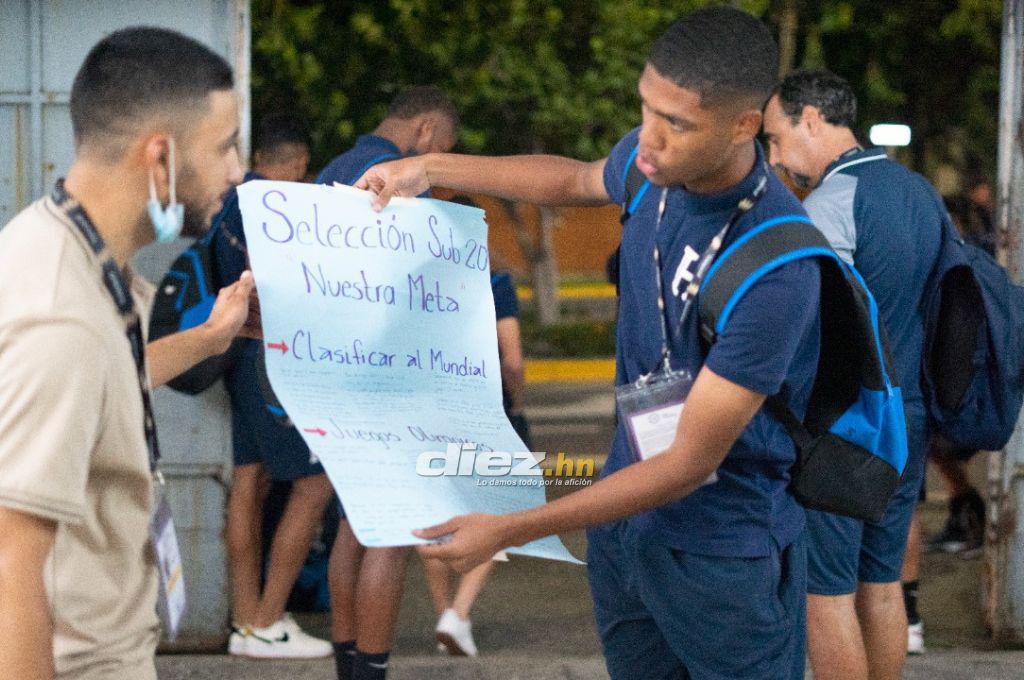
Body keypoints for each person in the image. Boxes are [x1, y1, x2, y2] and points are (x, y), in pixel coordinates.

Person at [359, 8, 817, 679]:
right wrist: (426, 167)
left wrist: (511, 527)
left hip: (723, 555)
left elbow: (689, 462)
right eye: (645, 108)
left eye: (677, 123)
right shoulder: (652, 166)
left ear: (744, 126)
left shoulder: (778, 267)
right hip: (626, 538)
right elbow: (573, 180)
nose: (649, 140)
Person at [0, 27, 254, 680]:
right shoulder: (63, 318)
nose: (236, 169)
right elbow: (10, 561)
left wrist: (211, 336)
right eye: (225, 144)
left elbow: (111, 376)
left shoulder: (66, 246)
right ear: (161, 158)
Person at [762, 68, 943, 679]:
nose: (776, 156)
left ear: (811, 118)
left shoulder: (831, 203)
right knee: (883, 582)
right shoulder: (919, 191)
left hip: (847, 425)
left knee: (826, 595)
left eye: (778, 137)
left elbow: (809, 321)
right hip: (909, 413)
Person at [317, 85, 459, 680]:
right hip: (390, 379)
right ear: (425, 131)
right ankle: (371, 670)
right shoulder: (396, 179)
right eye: (441, 152)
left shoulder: (330, 173)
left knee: (352, 524)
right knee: (392, 533)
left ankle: (348, 663)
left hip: (327, 372)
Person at [209, 113, 336, 658]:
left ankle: (245, 621)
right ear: (293, 165)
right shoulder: (271, 206)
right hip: (270, 355)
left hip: (234, 353)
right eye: (304, 174)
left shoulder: (224, 206)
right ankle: (269, 620)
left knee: (250, 481)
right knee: (314, 482)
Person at [422, 225, 529, 655]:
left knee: (436, 517)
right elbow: (513, 359)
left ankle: (443, 614)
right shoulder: (496, 282)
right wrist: (516, 405)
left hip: (432, 409)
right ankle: (459, 613)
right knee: (495, 516)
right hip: (487, 412)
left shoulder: (425, 283)